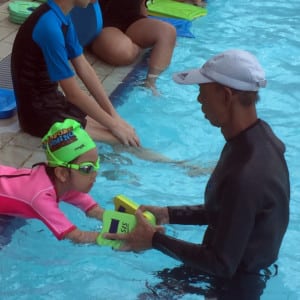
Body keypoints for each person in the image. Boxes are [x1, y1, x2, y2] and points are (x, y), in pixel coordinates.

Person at [104, 49, 290, 298]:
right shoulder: (256, 139)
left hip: (234, 284)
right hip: (228, 265)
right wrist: (169, 214)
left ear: (226, 95)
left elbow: (222, 263)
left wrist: (154, 241)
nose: (199, 100)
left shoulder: (247, 174)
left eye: (203, 90)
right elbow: (233, 212)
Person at [11, 0, 140, 147]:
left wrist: (114, 117)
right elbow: (73, 94)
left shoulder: (62, 16)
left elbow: (84, 68)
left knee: (124, 130)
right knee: (123, 141)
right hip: (37, 117)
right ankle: (163, 162)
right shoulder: (49, 27)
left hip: (54, 102)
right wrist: (115, 126)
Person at [0, 119, 104, 244]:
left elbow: (94, 210)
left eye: (97, 163)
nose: (95, 173)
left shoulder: (64, 182)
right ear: (62, 173)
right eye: (87, 168)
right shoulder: (41, 198)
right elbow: (78, 236)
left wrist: (122, 222)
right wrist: (119, 240)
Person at [90, 0, 177, 94]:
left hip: (132, 19)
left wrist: (151, 30)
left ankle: (150, 82)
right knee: (123, 53)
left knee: (168, 32)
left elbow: (142, 4)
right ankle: (131, 46)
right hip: (102, 23)